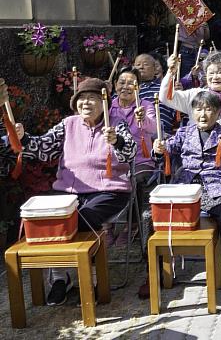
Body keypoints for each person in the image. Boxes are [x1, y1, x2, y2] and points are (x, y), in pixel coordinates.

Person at [15, 78, 135, 306]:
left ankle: (91, 279)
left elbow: (130, 154)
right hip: (69, 192)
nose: (86, 103)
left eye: (92, 98)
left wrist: (117, 141)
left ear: (104, 102)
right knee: (48, 219)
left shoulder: (116, 123)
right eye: (81, 98)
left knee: (82, 219)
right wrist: (24, 137)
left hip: (108, 190)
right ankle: (61, 277)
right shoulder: (68, 124)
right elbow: (43, 148)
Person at [152, 91, 221, 296]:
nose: (203, 114)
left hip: (218, 186)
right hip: (185, 188)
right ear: (192, 111)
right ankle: (153, 272)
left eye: (209, 109)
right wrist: (159, 149)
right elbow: (165, 153)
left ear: (217, 113)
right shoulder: (184, 132)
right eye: (198, 109)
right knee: (149, 217)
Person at [109, 67, 158, 254]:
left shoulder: (145, 105)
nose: (126, 86)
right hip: (114, 161)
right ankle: (106, 227)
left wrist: (144, 119)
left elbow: (154, 129)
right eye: (122, 82)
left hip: (140, 159)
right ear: (115, 85)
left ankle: (132, 225)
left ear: (138, 87)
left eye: (131, 83)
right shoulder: (108, 107)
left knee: (135, 180)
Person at [133, 53, 175, 133]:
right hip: (137, 132)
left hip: (162, 132)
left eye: (145, 64)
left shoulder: (164, 87)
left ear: (155, 69)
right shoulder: (131, 90)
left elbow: (176, 111)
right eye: (138, 65)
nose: (141, 67)